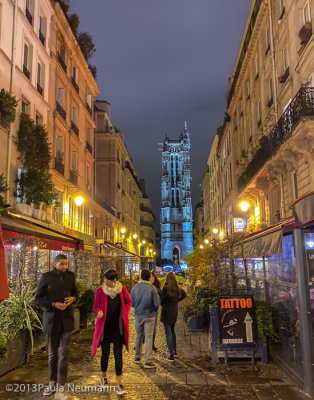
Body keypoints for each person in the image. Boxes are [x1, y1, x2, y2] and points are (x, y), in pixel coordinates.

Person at [35, 254, 77, 400]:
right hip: (51, 320)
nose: (65, 267)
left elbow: (75, 294)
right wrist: (53, 304)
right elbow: (38, 299)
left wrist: (73, 299)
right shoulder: (46, 277)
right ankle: (51, 382)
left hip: (66, 321)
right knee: (53, 354)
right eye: (62, 264)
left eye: (66, 264)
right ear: (55, 264)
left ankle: (61, 385)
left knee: (64, 353)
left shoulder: (71, 276)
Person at [92, 269, 131, 396]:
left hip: (117, 328)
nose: (105, 281)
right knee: (105, 354)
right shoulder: (100, 291)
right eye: (104, 279)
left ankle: (119, 383)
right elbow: (95, 306)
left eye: (107, 279)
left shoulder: (122, 289)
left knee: (118, 354)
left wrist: (125, 311)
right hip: (105, 328)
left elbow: (128, 301)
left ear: (113, 280)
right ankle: (103, 376)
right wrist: (98, 311)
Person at [131, 269, 160, 368]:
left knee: (139, 335)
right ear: (149, 277)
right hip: (149, 315)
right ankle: (147, 361)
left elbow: (132, 302)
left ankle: (137, 357)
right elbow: (156, 303)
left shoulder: (135, 288)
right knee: (148, 337)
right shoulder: (152, 288)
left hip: (138, 315)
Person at [160, 271, 186, 362]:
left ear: (167, 279)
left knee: (168, 333)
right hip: (174, 311)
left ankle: (171, 354)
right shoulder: (177, 289)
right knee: (172, 331)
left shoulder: (165, 289)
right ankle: (174, 351)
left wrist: (164, 304)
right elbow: (184, 295)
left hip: (166, 311)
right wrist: (176, 301)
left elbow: (161, 300)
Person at [150, 272, 161, 351]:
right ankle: (139, 343)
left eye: (152, 277)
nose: (151, 278)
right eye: (150, 277)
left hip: (154, 311)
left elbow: (160, 296)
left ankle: (152, 344)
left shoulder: (157, 287)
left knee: (153, 328)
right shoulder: (145, 286)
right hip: (146, 310)